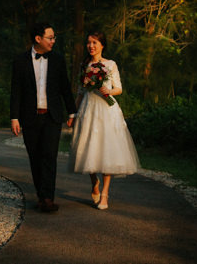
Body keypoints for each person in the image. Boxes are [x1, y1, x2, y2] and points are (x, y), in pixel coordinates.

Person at [67, 31, 140, 210]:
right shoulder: (84, 65)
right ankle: (94, 182)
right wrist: (72, 114)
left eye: (94, 43)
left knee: (107, 150)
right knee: (88, 147)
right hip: (88, 109)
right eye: (89, 43)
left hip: (107, 110)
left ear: (102, 45)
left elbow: (119, 89)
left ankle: (105, 194)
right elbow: (80, 92)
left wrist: (108, 91)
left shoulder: (111, 64)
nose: (91, 46)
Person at [10, 22, 77, 213]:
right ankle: (41, 195)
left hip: (52, 116)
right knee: (35, 157)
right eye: (50, 37)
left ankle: (47, 198)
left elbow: (65, 87)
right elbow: (16, 91)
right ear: (38, 39)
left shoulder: (57, 59)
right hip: (30, 117)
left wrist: (72, 112)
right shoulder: (20, 61)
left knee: (49, 156)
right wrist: (14, 118)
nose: (53, 41)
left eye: (54, 37)